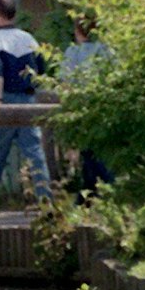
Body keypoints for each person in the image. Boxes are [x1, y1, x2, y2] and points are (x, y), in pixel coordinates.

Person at [0, 0, 51, 205]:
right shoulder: (29, 39)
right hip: (28, 101)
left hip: (5, 99)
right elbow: (41, 71)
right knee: (35, 154)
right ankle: (46, 202)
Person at [60, 20, 116, 193]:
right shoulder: (107, 51)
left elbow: (65, 82)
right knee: (101, 154)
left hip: (80, 109)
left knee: (89, 154)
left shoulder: (73, 52)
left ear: (77, 31)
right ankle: (97, 192)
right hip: (104, 108)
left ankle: (100, 191)